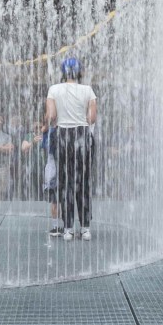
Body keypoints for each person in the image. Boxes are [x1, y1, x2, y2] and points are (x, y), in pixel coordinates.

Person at [45, 57, 97, 240]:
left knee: (65, 182)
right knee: (83, 182)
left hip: (62, 137)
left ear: (63, 72)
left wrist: (51, 120)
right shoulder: (87, 90)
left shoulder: (54, 89)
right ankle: (85, 228)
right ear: (79, 72)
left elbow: (51, 116)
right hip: (82, 136)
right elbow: (92, 118)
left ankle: (67, 228)